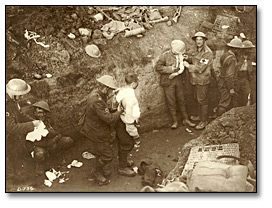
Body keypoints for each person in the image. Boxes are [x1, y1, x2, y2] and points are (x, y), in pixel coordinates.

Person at [78, 75, 123, 185]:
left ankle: (103, 168)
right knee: (108, 155)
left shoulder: (98, 94)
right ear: (106, 88)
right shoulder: (97, 100)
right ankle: (96, 172)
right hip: (95, 131)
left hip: (95, 127)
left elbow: (104, 110)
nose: (112, 92)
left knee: (101, 151)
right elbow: (109, 119)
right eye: (111, 90)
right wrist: (119, 111)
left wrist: (112, 109)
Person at [6, 78, 41, 185]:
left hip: (11, 136)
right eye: (20, 95)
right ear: (13, 93)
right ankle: (10, 183)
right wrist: (31, 125)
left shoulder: (13, 101)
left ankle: (18, 176)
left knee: (17, 154)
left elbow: (20, 114)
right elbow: (11, 127)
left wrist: (34, 121)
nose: (22, 97)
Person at [155, 40, 195, 129]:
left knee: (182, 100)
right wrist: (171, 69)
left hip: (179, 80)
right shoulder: (165, 56)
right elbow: (158, 67)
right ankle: (174, 121)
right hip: (168, 81)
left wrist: (186, 58)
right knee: (171, 101)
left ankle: (186, 119)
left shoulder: (181, 55)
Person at [25, 100, 74, 175]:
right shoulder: (31, 124)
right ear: (35, 113)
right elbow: (30, 142)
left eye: (43, 112)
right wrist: (45, 144)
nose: (42, 115)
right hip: (40, 146)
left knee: (67, 141)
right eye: (39, 113)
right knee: (39, 154)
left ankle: (59, 156)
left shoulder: (50, 121)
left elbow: (60, 131)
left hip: (52, 143)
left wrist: (54, 140)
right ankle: (40, 164)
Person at [183, 32, 214, 130]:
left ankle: (204, 121)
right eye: (197, 40)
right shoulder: (197, 50)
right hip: (195, 79)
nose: (198, 42)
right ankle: (200, 116)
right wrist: (188, 58)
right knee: (197, 98)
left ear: (204, 40)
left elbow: (201, 67)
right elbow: (196, 59)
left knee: (202, 100)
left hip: (202, 80)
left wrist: (188, 66)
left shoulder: (207, 53)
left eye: (200, 39)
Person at [115, 72, 141, 177]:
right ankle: (122, 168)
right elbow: (129, 117)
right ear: (134, 83)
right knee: (127, 143)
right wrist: (136, 135)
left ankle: (124, 161)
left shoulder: (122, 91)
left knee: (123, 142)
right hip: (126, 122)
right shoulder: (130, 97)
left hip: (120, 119)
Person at [216, 37, 241, 116]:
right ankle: (218, 123)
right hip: (226, 84)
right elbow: (229, 76)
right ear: (235, 49)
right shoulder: (232, 59)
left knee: (223, 100)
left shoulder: (225, 55)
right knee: (224, 103)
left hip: (221, 81)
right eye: (238, 49)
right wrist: (231, 88)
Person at [236, 40, 256, 106]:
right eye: (244, 49)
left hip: (250, 77)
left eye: (248, 49)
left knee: (250, 92)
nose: (246, 51)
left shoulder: (254, 56)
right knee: (239, 94)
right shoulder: (238, 56)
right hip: (239, 76)